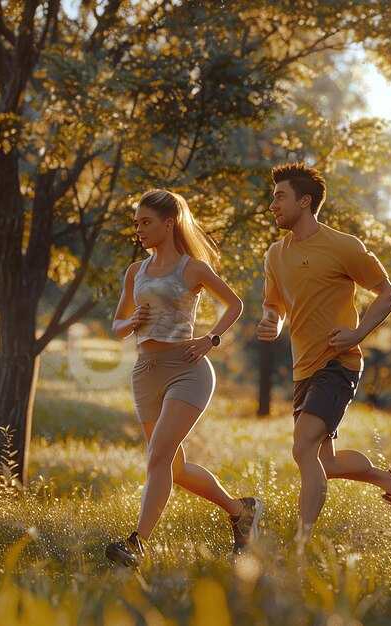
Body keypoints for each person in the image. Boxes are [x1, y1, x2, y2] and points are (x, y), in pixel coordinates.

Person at [257, 163, 391, 549]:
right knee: (324, 463)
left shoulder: (343, 246)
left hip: (337, 364)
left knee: (302, 449)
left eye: (280, 196)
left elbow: (387, 294)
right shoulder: (275, 255)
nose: (272, 205)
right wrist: (271, 323)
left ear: (305, 201)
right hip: (303, 369)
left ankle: (300, 545)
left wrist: (358, 333)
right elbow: (274, 306)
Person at [105, 189, 262, 567]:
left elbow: (235, 304)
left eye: (146, 222)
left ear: (169, 223)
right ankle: (241, 511)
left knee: (157, 456)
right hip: (145, 372)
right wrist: (132, 322)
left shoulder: (192, 268)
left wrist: (210, 339)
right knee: (171, 466)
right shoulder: (135, 272)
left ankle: (136, 543)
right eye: (137, 222)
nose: (139, 229)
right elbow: (117, 327)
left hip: (187, 370)